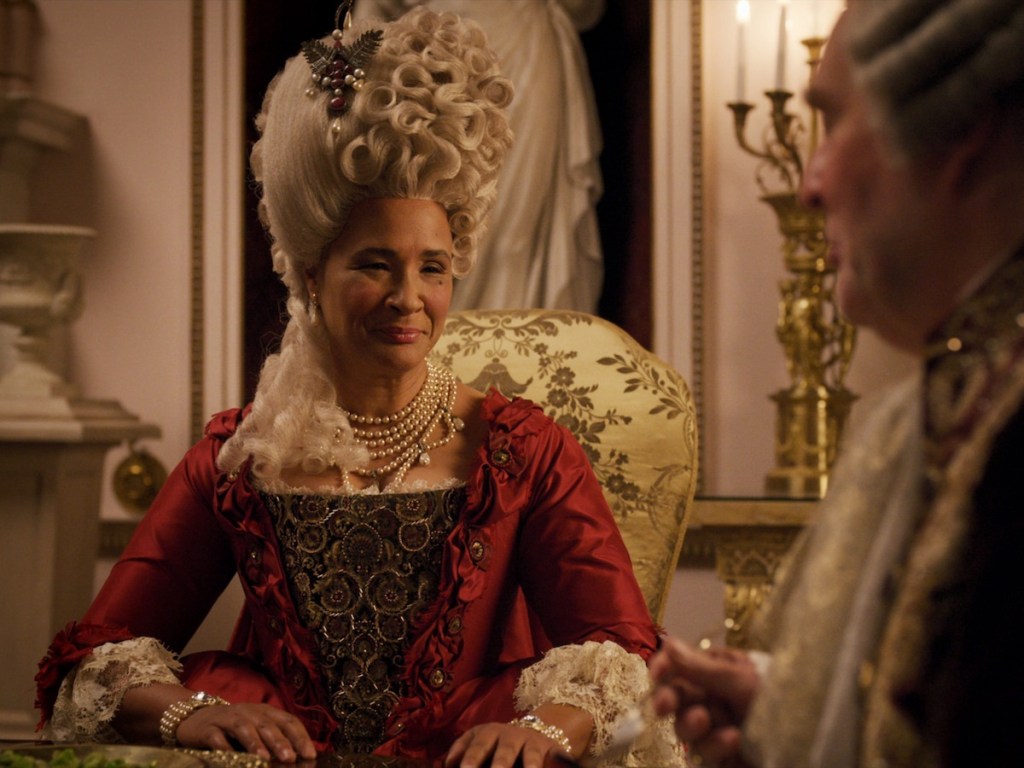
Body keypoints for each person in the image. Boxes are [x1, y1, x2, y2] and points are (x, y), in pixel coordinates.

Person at [34, 5, 680, 768]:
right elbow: (95, 656)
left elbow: (621, 655)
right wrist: (189, 714)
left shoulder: (524, 452)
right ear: (312, 274)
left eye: (432, 268)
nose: (409, 298)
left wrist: (541, 729)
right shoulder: (239, 460)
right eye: (375, 264)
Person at [649, 1, 1024, 767]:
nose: (810, 184)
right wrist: (789, 709)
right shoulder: (922, 417)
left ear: (961, 133)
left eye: (835, 120)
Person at [356, 0, 606, 313]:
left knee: (513, 236)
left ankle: (506, 332)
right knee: (432, 225)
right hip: (436, 70)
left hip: (524, 52)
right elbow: (370, 18)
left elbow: (585, 8)